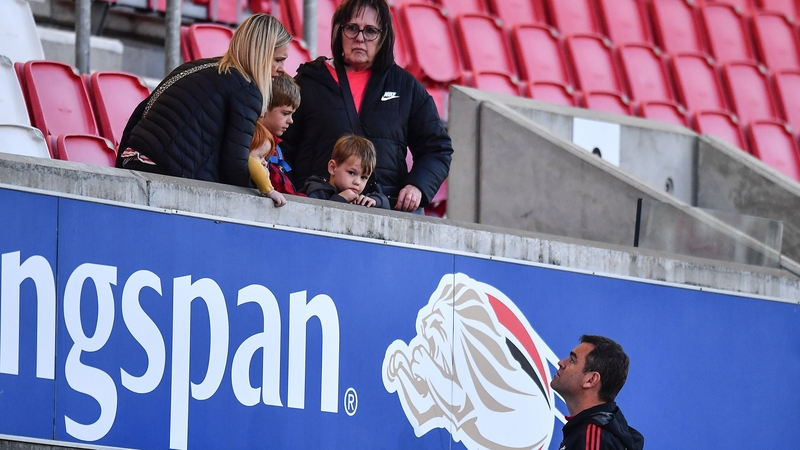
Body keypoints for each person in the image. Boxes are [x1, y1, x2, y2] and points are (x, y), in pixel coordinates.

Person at [280, 0, 452, 212]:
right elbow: (281, 145)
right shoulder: (309, 81)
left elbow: (437, 148)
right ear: (339, 31)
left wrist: (417, 186)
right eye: (352, 28)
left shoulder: (407, 87)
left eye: (370, 31)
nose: (360, 38)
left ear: (384, 36)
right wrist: (295, 195)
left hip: (385, 212)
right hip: (314, 210)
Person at [116, 14, 292, 190]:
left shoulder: (195, 67)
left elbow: (140, 112)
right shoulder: (246, 89)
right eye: (278, 60)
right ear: (260, 54)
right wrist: (262, 187)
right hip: (163, 176)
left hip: (132, 160)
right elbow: (234, 165)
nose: (282, 69)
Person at [551, 335, 644, 450]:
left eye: (572, 360)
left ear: (591, 380)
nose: (561, 362)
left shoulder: (593, 437)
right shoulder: (597, 432)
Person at [302, 134, 389, 208]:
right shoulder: (318, 190)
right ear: (332, 168)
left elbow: (385, 202)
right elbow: (315, 212)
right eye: (352, 173)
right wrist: (340, 199)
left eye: (364, 177)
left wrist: (375, 201)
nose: (357, 182)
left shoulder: (359, 195)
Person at [258, 73, 301, 193]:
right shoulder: (256, 142)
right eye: (285, 114)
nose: (291, 121)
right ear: (265, 107)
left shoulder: (276, 146)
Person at [248, 122, 286, 206]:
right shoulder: (248, 161)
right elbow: (251, 162)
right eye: (261, 156)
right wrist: (270, 191)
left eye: (266, 158)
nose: (265, 162)